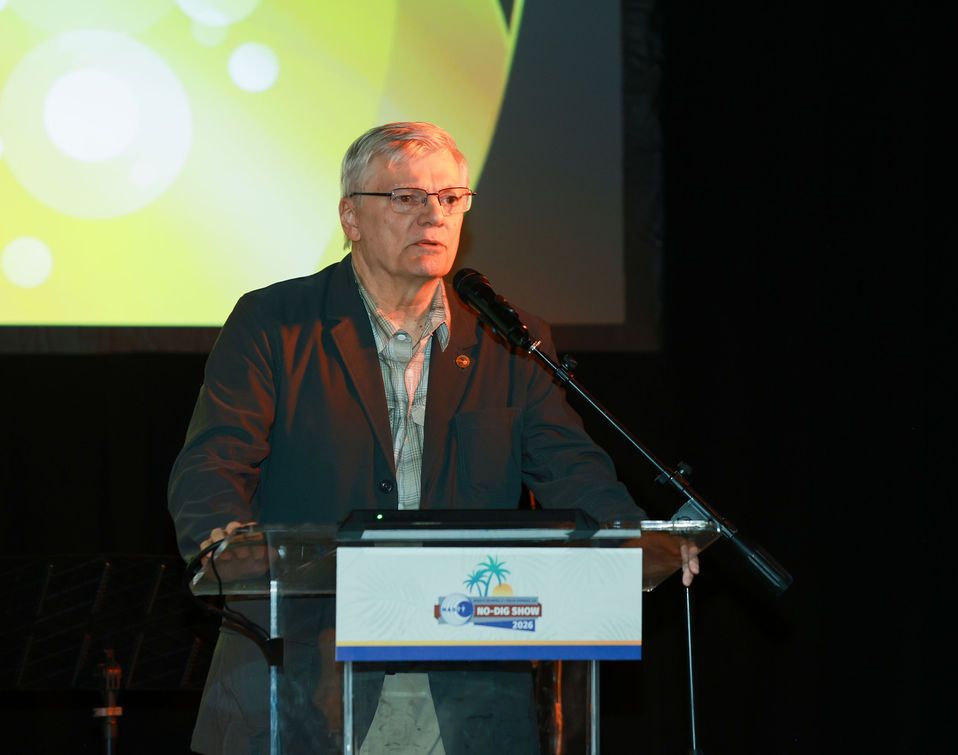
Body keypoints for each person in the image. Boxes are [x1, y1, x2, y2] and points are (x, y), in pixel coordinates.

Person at [168, 121, 698, 754]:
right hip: (308, 674)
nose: (434, 215)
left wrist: (633, 538)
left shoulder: (511, 339)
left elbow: (572, 468)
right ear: (351, 217)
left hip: (468, 690)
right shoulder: (275, 322)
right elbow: (213, 461)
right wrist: (221, 539)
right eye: (406, 197)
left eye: (450, 198)